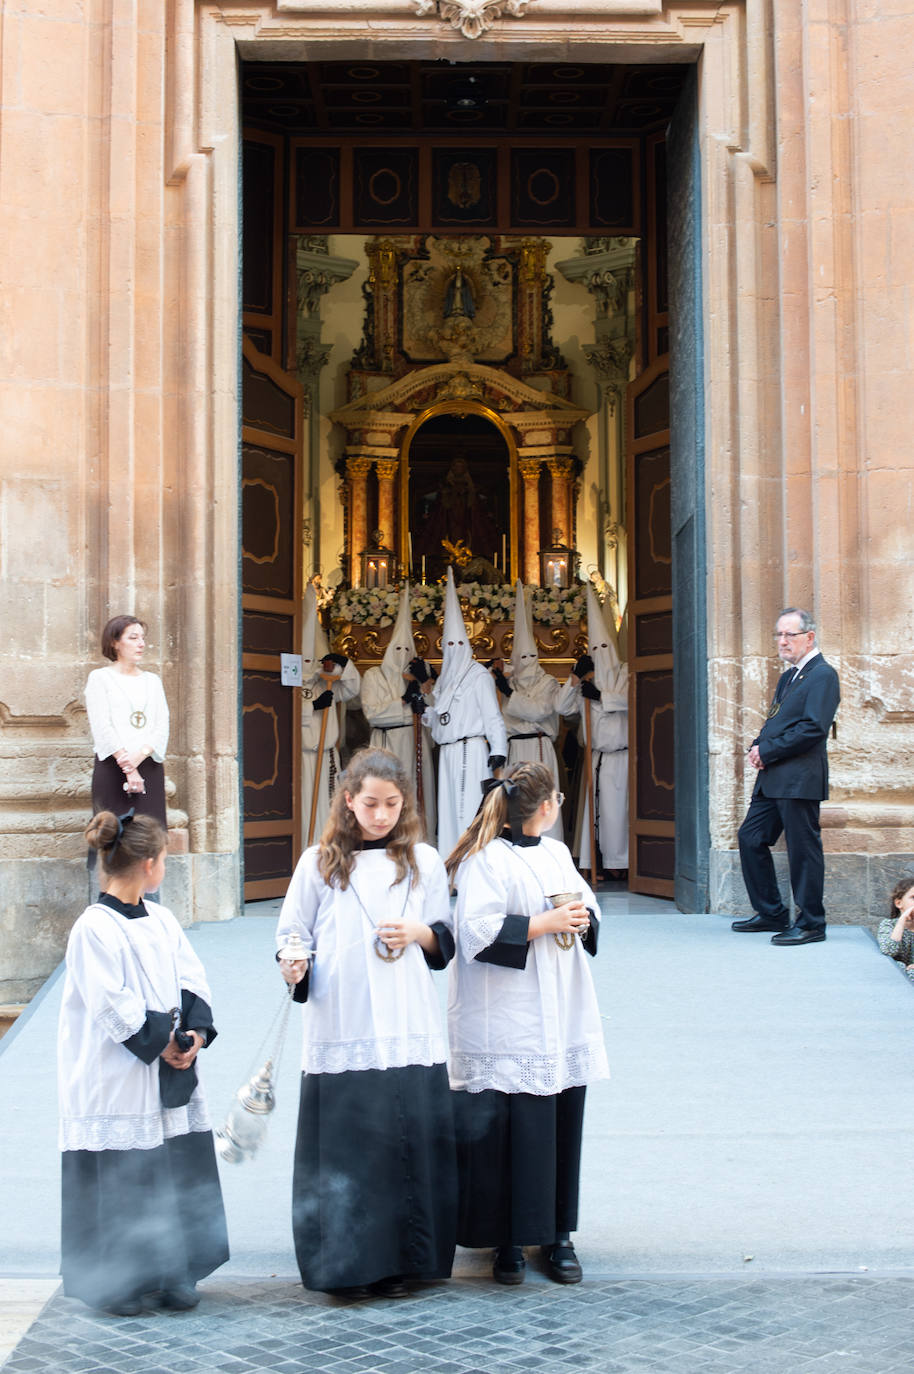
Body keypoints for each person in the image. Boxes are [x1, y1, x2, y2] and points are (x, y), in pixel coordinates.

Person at [276, 747, 457, 1297]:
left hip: (406, 1023)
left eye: (392, 805)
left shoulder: (423, 861)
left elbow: (444, 938)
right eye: (371, 804)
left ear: (406, 805)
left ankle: (406, 1261)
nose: (381, 816)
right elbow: (292, 931)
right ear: (349, 801)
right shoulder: (318, 862)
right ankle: (345, 1266)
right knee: (351, 1148)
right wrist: (293, 961)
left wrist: (417, 934)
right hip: (343, 1022)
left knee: (403, 1140)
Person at [58, 809, 228, 1316]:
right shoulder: (93, 927)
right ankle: (120, 1281)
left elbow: (192, 979)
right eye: (166, 859)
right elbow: (112, 1004)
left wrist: (193, 1034)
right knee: (127, 1169)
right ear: (151, 863)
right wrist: (164, 1045)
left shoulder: (163, 919)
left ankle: (174, 1270)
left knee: (172, 1164)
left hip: (167, 1063)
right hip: (116, 1074)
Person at [445, 761, 609, 1287]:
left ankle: (559, 1234)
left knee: (560, 1125)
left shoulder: (559, 853)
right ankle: (508, 1240)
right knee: (508, 1135)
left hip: (560, 1012)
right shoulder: (485, 860)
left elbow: (587, 906)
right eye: (558, 797)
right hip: (508, 1019)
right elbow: (476, 934)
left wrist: (583, 918)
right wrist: (546, 923)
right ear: (546, 806)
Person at [733, 607, 841, 945]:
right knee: (751, 837)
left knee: (802, 850)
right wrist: (757, 744)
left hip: (799, 779)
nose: (782, 641)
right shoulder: (789, 676)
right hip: (773, 777)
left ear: (809, 637)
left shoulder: (823, 675)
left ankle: (811, 923)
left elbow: (813, 729)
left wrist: (769, 750)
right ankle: (771, 913)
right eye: (778, 635)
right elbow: (778, 720)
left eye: (789, 635)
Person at [422, 567, 507, 859]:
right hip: (447, 753)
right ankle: (451, 869)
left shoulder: (479, 675)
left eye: (460, 643)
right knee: (448, 812)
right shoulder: (443, 680)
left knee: (469, 809)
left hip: (472, 751)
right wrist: (425, 710)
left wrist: (498, 749)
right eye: (449, 645)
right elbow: (438, 721)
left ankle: (471, 868)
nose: (455, 649)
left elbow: (493, 715)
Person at [556, 583, 628, 877]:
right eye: (594, 649)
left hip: (620, 757)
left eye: (604, 647)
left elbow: (630, 701)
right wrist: (574, 679)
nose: (601, 653)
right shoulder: (586, 678)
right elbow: (562, 708)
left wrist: (601, 696)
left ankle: (620, 866)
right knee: (595, 816)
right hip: (595, 757)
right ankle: (595, 864)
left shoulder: (625, 672)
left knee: (616, 816)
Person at [360, 584, 437, 842]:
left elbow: (433, 711)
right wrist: (405, 699)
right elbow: (373, 714)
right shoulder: (374, 676)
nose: (402, 656)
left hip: (415, 744)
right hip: (387, 744)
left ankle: (418, 842)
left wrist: (423, 685)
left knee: (415, 795)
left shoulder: (415, 677)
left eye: (407, 651)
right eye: (397, 650)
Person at [488, 581, 563, 841]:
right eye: (521, 658)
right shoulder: (507, 682)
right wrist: (496, 677)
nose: (527, 664)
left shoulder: (548, 682)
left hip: (541, 746)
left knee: (543, 799)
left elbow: (539, 711)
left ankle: (549, 843)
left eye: (531, 657)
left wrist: (509, 693)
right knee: (516, 800)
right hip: (516, 749)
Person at [85, 616, 169, 828]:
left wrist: (140, 756)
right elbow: (102, 726)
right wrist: (129, 768)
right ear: (115, 642)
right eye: (133, 637)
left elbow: (162, 724)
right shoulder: (100, 678)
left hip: (148, 766)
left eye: (142, 638)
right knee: (113, 836)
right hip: (113, 766)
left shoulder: (153, 681)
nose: (141, 643)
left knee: (149, 836)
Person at [300, 583, 361, 845]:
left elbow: (353, 689)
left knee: (329, 812)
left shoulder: (328, 682)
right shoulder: (295, 684)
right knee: (305, 813)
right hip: (303, 758)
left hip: (327, 755)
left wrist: (344, 666)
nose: (311, 666)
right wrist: (313, 707)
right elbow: (287, 711)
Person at [876, 877, 914, 982]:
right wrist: (902, 921)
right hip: (896, 978)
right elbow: (889, 950)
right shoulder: (888, 925)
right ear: (899, 903)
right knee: (900, 968)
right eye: (913, 898)